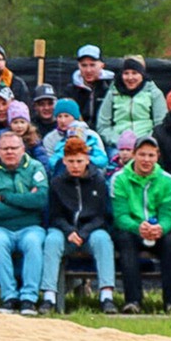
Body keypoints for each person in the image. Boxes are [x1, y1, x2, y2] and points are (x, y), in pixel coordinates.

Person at [38, 135, 115, 315]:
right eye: (71, 161)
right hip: (65, 231)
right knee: (51, 240)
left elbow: (101, 216)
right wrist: (69, 231)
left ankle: (106, 295)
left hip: (91, 232)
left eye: (79, 161)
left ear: (87, 159)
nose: (75, 165)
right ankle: (49, 296)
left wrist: (84, 232)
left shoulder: (98, 181)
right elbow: (55, 216)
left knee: (103, 240)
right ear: (64, 161)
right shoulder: (57, 183)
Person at [0, 130, 49, 315]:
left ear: (23, 149)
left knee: (34, 243)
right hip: (0, 228)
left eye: (14, 148)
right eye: (5, 148)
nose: (10, 152)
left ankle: (29, 298)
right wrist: (26, 202)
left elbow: (41, 200)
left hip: (32, 227)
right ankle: (9, 297)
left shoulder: (36, 167)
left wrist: (6, 197)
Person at [111, 135, 171, 315]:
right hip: (131, 228)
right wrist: (138, 227)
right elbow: (120, 215)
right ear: (133, 154)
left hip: (157, 229)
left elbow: (168, 215)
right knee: (125, 240)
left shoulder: (167, 180)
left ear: (157, 156)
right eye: (142, 155)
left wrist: (161, 228)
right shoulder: (119, 179)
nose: (146, 160)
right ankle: (133, 300)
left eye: (151, 155)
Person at [97, 55, 166, 148]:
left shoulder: (154, 93)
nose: (130, 77)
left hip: (146, 143)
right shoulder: (113, 93)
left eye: (134, 73)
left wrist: (145, 141)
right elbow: (103, 125)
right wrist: (119, 141)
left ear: (142, 74)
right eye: (126, 73)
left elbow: (160, 125)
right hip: (118, 145)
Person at [42, 98, 105, 170]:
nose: (63, 120)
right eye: (59, 116)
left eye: (66, 116)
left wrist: (85, 159)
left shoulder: (91, 136)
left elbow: (103, 162)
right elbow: (51, 165)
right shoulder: (49, 139)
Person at [67, 45, 112, 126]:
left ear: (102, 65)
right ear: (78, 66)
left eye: (92, 65)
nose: (88, 70)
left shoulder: (112, 87)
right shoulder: (70, 91)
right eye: (84, 65)